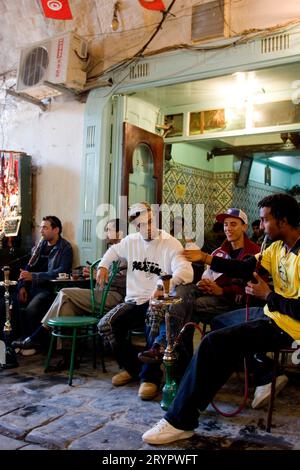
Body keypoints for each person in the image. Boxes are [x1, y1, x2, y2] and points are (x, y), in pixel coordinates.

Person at [142, 193, 300, 445]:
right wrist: (206, 258)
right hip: (273, 314)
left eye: (265, 220)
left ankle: (179, 421)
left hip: (289, 326)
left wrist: (267, 295)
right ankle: (264, 375)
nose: (261, 227)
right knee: (220, 328)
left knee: (213, 344)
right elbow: (244, 267)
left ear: (282, 221)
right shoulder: (277, 248)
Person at [97, 202, 194, 400]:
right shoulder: (130, 241)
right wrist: (103, 266)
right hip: (134, 300)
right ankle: (134, 369)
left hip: (157, 301)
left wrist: (163, 286)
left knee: (154, 316)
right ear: (135, 226)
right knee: (106, 325)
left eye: (150, 221)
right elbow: (113, 251)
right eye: (142, 224)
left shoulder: (170, 242)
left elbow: (186, 271)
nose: (148, 227)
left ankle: (150, 377)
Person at [12, 219, 126, 354]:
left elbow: (124, 281)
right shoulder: (112, 251)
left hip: (114, 296)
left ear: (120, 233)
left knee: (64, 292)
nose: (106, 233)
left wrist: (98, 276)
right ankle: (66, 354)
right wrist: (92, 273)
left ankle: (38, 335)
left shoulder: (126, 252)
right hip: (100, 293)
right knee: (67, 305)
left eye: (109, 230)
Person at [193, 208, 261, 325]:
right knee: (185, 295)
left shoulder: (255, 253)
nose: (228, 228)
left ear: (244, 227)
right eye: (225, 224)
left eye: (233, 224)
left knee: (194, 304)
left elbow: (254, 291)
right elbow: (208, 277)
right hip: (217, 298)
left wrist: (223, 291)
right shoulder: (218, 252)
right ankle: (180, 342)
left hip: (240, 304)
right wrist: (204, 284)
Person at [13, 216, 72, 341]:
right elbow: (27, 268)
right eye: (41, 227)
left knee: (31, 309)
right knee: (13, 302)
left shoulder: (65, 248)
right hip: (32, 286)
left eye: (45, 227)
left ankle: (33, 342)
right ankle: (21, 338)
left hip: (48, 288)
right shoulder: (40, 246)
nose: (41, 231)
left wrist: (34, 277)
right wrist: (22, 286)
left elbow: (61, 272)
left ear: (56, 230)